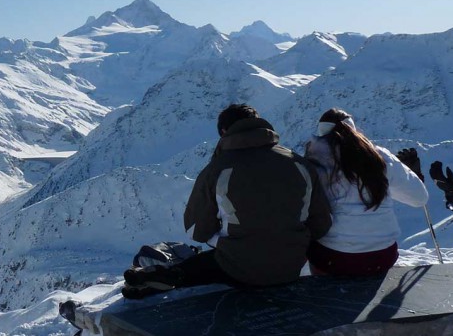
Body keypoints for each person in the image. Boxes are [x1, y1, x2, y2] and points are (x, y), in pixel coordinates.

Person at [123, 104, 332, 298]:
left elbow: (197, 230)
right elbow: (321, 224)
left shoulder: (218, 170)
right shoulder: (299, 164)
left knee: (198, 266)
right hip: (291, 265)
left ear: (224, 132)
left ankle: (166, 277)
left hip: (239, 268)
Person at [303, 108, 428, 276]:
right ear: (353, 129)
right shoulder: (379, 157)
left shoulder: (312, 163)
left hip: (332, 259)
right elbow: (419, 198)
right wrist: (412, 176)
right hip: (382, 256)